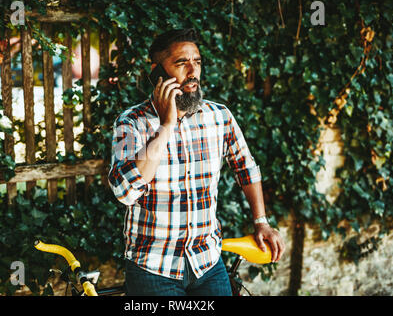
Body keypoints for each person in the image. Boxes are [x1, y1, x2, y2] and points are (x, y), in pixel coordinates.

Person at [108, 29, 285, 296]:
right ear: (157, 72)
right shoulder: (131, 122)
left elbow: (246, 168)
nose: (193, 71)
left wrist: (261, 221)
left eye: (197, 62)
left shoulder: (219, 116)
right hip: (154, 268)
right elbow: (125, 192)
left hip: (207, 264)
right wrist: (166, 126)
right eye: (181, 63)